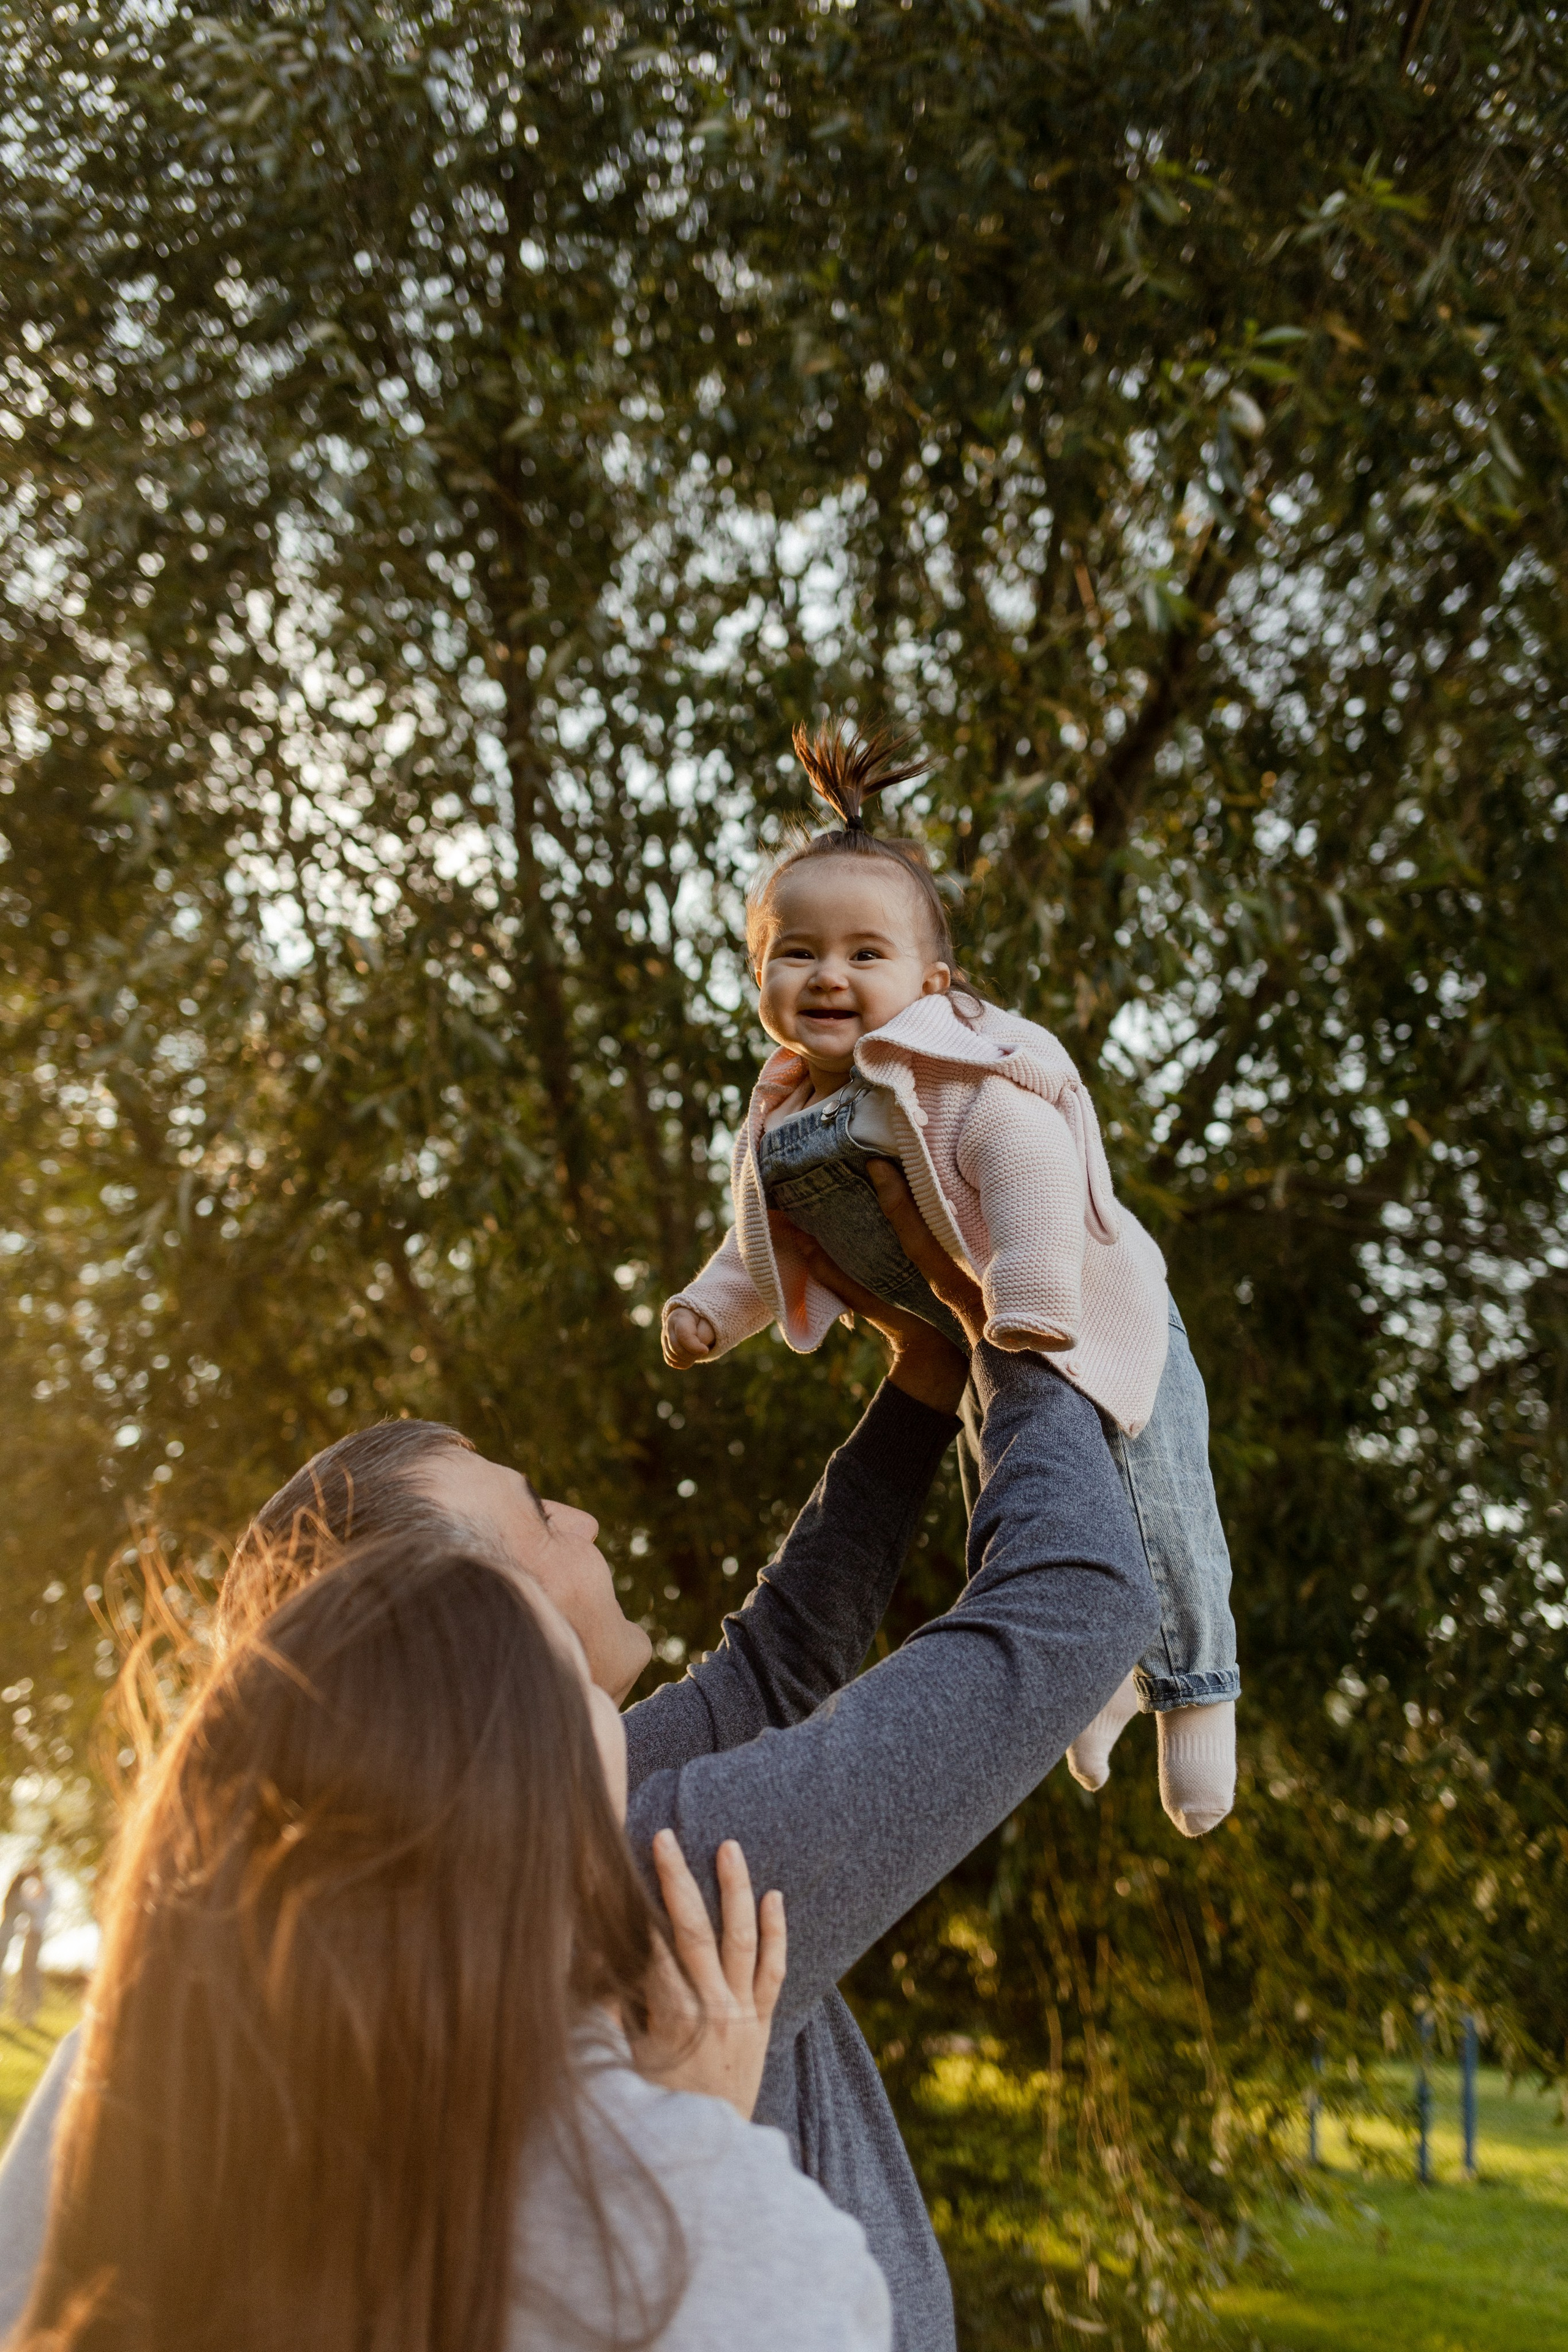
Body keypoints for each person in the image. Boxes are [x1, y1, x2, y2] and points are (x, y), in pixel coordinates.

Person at [1, 1166, 1159, 2352]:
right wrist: (1013, 1308)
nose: (587, 1521)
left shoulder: (343, 1902)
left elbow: (763, 1676)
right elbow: (1075, 1605)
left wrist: (921, 1385)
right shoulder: (654, 1881)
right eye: (540, 1513)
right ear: (468, 1619)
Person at [4, 1535, 890, 2352]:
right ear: (541, 1804)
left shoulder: (127, 2150)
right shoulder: (746, 2258)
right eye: (576, 1680)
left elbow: (767, 1666)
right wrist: (699, 2162)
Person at [661, 719, 1238, 1838]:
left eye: (863, 955)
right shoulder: (783, 1111)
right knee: (1010, 1496)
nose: (828, 974)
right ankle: (1098, 1680)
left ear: (930, 979)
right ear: (758, 975)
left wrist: (1024, 1284)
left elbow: (1030, 1157)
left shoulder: (958, 1064)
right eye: (796, 951)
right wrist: (712, 1311)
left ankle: (1199, 1693)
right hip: (985, 1331)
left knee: (1157, 1488)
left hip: (1088, 1301)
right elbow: (759, 1236)